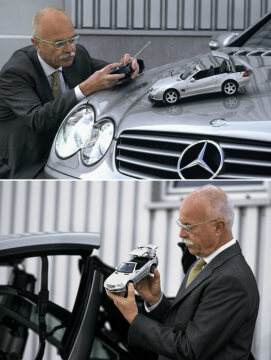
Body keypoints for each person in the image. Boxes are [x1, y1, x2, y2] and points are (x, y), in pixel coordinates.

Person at [107, 185, 260, 360]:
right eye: (180, 225)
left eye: (188, 227)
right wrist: (155, 300)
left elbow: (189, 350)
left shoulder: (231, 280)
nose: (181, 234)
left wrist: (133, 317)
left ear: (218, 227)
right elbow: (182, 325)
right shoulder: (204, 263)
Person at [0, 8, 143, 179]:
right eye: (59, 44)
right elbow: (38, 119)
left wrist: (130, 67)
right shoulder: (15, 72)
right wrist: (84, 89)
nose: (70, 49)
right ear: (37, 43)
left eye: (72, 39)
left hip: (72, 151)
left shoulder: (78, 54)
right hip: (29, 163)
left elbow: (107, 75)